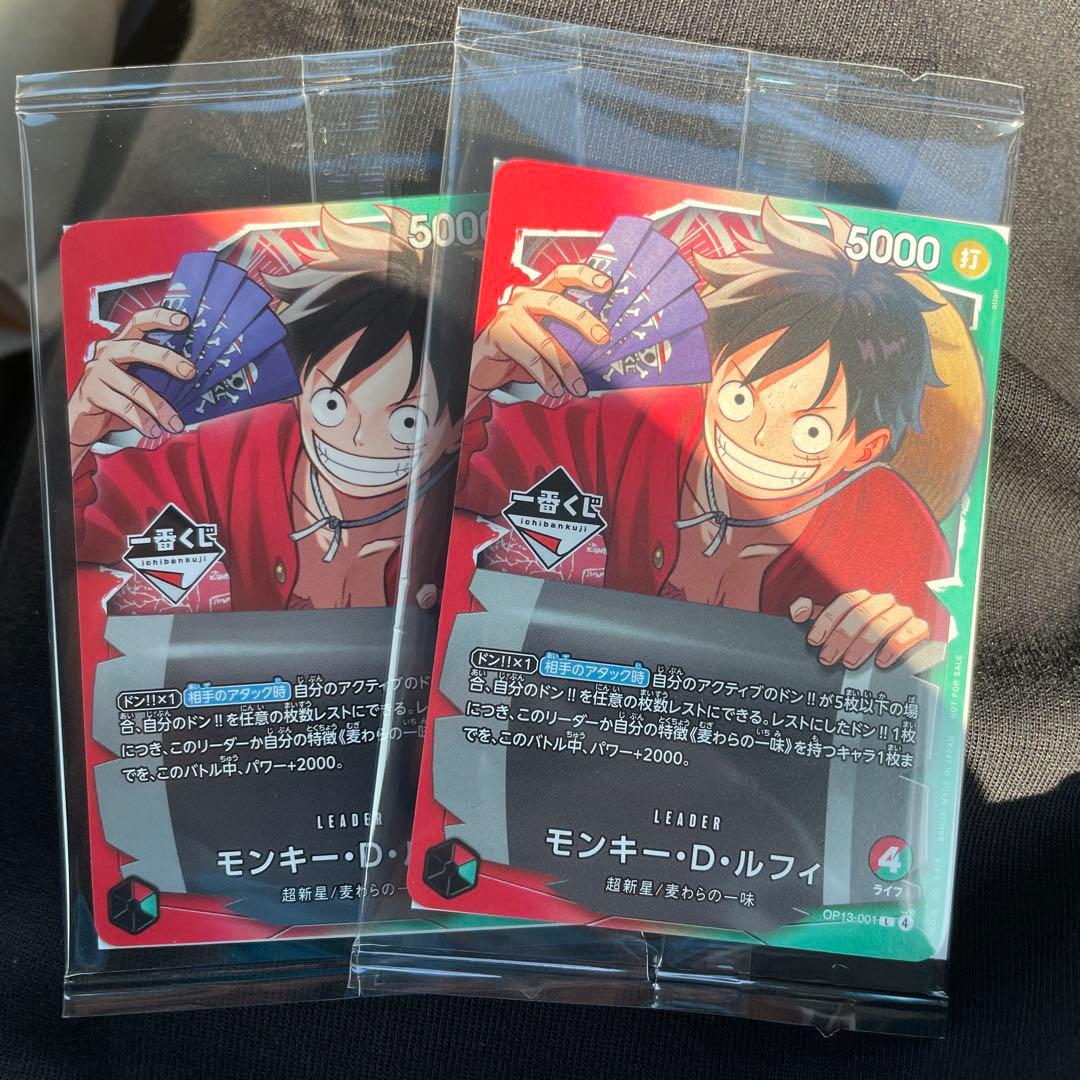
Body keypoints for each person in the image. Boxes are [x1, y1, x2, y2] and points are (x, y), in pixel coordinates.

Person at [460, 200, 985, 670]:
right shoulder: (642, 426)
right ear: (713, 373)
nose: (756, 436)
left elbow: (933, 678)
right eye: (739, 398)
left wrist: (903, 645)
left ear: (863, 449)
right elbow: (464, 471)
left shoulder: (898, 536)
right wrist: (476, 376)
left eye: (810, 430)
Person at [68, 206, 460, 610]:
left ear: (455, 430)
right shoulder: (240, 453)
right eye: (331, 405)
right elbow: (83, 535)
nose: (359, 438)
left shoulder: (461, 488)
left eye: (408, 422)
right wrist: (76, 432)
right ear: (298, 388)